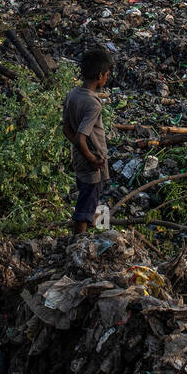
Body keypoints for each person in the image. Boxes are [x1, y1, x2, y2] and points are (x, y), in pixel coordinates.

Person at [61, 47, 113, 235]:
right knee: (86, 202)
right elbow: (82, 136)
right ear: (100, 75)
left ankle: (99, 226)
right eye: (106, 74)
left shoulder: (73, 94)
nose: (107, 78)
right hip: (91, 161)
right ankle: (79, 242)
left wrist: (78, 148)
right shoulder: (93, 103)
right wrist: (92, 158)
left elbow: (67, 128)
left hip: (79, 156)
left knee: (91, 195)